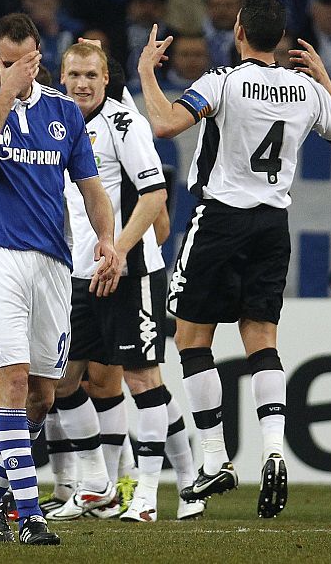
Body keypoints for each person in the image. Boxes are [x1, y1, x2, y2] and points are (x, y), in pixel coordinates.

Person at [138, 0, 331, 517]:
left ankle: (215, 457)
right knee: (262, 338)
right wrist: (323, 78)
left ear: (238, 31)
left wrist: (145, 72)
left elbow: (165, 124)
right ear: (281, 37)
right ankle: (275, 450)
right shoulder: (304, 90)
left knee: (192, 338)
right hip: (272, 224)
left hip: (221, 219)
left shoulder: (223, 82)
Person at [0, 13, 119, 545]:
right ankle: (28, 515)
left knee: (45, 396)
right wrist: (6, 92)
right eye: (13, 63)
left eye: (32, 62)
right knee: (14, 385)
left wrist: (108, 239)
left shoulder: (64, 112)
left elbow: (92, 186)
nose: (27, 72)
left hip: (54, 261)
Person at [42, 41, 204, 524]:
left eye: (91, 75)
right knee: (65, 379)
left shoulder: (122, 122)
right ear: (62, 76)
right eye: (74, 75)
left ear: (105, 79)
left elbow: (155, 194)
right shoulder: (54, 122)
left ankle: (150, 495)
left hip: (131, 273)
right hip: (75, 274)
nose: (82, 84)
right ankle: (98, 485)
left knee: (141, 379)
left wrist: (119, 249)